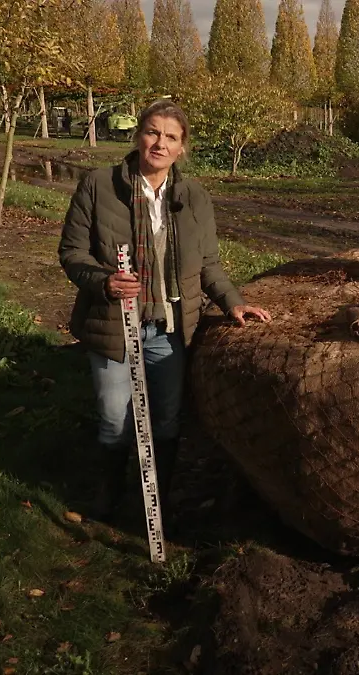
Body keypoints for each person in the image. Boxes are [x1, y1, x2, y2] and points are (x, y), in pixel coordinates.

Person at [58, 99, 270, 521]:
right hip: (114, 326)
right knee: (115, 421)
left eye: (170, 137)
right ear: (138, 136)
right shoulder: (99, 186)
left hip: (169, 330)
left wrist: (234, 302)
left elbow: (208, 263)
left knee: (168, 422)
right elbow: (72, 252)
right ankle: (106, 500)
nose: (159, 142)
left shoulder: (192, 197)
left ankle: (155, 504)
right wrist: (104, 282)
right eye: (152, 132)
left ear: (181, 148)